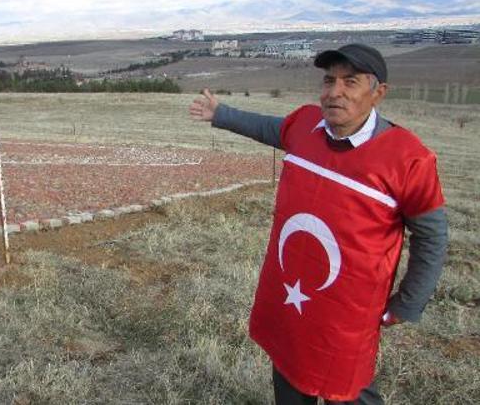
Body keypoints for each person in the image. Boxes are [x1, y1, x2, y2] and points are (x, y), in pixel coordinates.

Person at [189, 44, 448, 404]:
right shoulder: (306, 125)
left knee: (348, 386)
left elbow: (432, 235)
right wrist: (221, 113)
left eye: (350, 82)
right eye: (329, 81)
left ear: (378, 93)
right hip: (291, 294)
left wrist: (408, 302)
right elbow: (272, 128)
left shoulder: (408, 159)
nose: (334, 92)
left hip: (348, 313)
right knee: (290, 367)